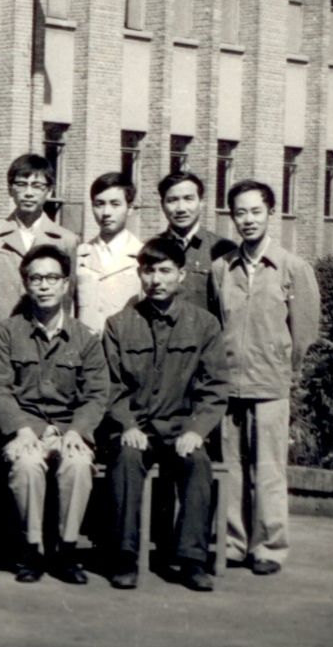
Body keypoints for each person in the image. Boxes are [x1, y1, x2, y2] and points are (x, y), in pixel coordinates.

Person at [104, 237, 229, 592]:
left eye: (165, 271)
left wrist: (197, 430)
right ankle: (125, 557)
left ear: (182, 275)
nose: (156, 279)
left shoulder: (204, 325)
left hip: (180, 428)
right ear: (139, 274)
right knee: (126, 460)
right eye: (148, 271)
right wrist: (127, 424)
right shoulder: (119, 324)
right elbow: (110, 385)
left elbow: (214, 387)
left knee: (198, 463)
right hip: (136, 427)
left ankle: (191, 560)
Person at [210, 180, 321, 577]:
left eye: (256, 211)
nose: (248, 220)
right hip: (229, 384)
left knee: (269, 469)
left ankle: (269, 547)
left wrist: (287, 372)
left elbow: (304, 332)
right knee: (231, 468)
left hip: (271, 384)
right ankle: (234, 542)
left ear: (271, 213)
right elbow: (216, 324)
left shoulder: (292, 268)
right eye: (240, 212)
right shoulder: (221, 268)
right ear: (232, 217)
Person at [0, 244, 108, 584]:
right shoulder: (7, 333)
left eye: (52, 278)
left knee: (78, 464)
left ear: (66, 284)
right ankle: (32, 550)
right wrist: (23, 429)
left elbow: (97, 393)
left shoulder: (85, 338)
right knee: (26, 464)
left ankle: (67, 550)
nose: (44, 285)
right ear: (26, 284)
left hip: (70, 429)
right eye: (35, 278)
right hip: (25, 429)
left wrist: (76, 431)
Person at [0, 153, 79, 321]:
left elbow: (67, 298)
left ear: (49, 191)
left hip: (46, 330)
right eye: (21, 184)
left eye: (37, 186)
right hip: (1, 329)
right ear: (10, 189)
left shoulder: (66, 240)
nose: (28, 193)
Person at [155, 171, 236, 313]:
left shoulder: (224, 250)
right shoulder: (151, 248)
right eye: (172, 200)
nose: (181, 208)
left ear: (201, 202)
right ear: (162, 205)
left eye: (188, 199)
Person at [75, 172, 145, 334]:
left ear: (130, 209)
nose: (106, 212)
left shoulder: (142, 255)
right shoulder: (80, 254)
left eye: (115, 204)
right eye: (99, 204)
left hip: (126, 345)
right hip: (86, 346)